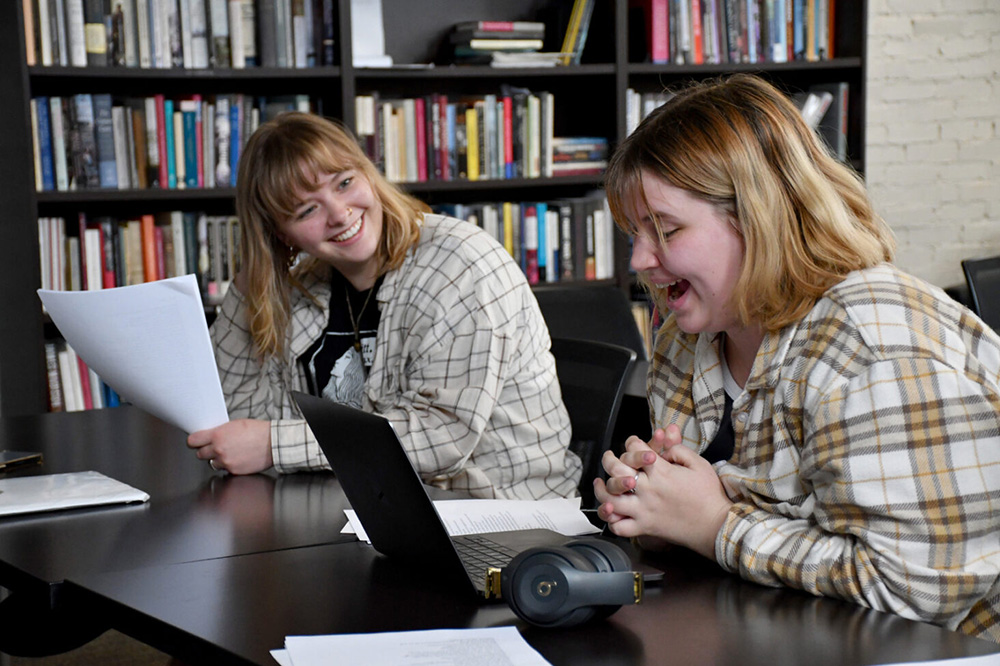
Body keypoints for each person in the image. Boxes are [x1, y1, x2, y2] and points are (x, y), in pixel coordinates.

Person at [595, 73, 1000, 642]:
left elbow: (918, 594)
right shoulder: (684, 337)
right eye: (634, 231)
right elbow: (701, 516)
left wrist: (714, 526)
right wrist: (654, 507)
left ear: (758, 218)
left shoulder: (872, 341)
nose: (639, 258)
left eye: (665, 229)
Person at [187, 111, 581, 500]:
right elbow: (233, 420)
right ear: (280, 234)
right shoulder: (306, 283)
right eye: (307, 210)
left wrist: (276, 445)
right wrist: (258, 269)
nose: (340, 215)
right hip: (380, 508)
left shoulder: (460, 266)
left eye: (344, 183)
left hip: (503, 516)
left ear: (368, 174)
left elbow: (442, 439)